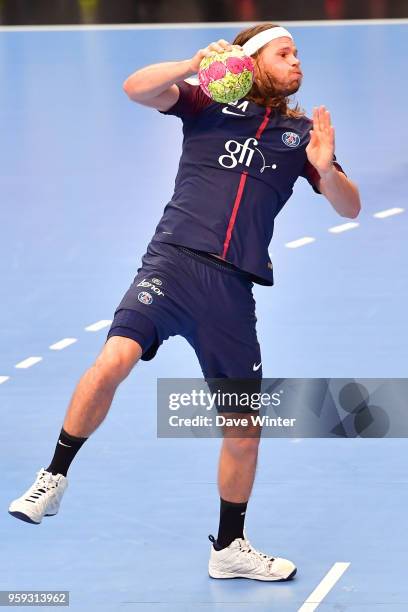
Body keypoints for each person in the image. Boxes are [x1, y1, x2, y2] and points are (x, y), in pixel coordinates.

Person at [8, 23, 360, 581]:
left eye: (297, 54)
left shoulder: (298, 135)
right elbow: (136, 87)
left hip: (231, 291)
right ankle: (54, 476)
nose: (297, 63)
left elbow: (350, 208)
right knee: (114, 358)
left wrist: (323, 166)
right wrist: (194, 62)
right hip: (171, 264)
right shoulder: (206, 104)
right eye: (284, 53)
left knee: (244, 428)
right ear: (250, 62)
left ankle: (229, 547)